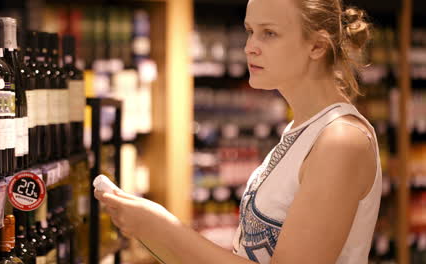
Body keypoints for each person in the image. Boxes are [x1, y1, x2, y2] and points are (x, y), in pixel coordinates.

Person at [94, 0, 381, 263]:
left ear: (317, 46)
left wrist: (165, 228)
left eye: (269, 33)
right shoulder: (301, 129)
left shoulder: (342, 141)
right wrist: (150, 230)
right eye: (249, 31)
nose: (250, 47)